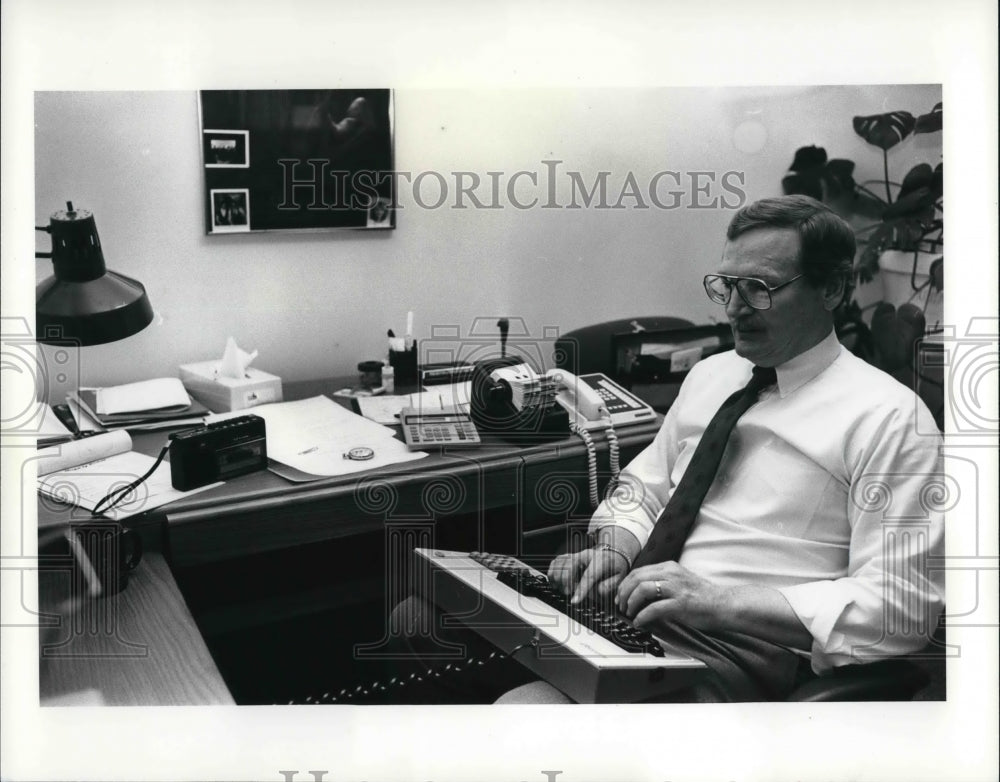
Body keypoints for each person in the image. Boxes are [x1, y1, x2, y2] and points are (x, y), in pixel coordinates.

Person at [393, 194, 945, 703]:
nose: (735, 307)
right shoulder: (713, 375)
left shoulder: (889, 418)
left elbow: (902, 610)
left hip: (738, 646)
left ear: (831, 289)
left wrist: (718, 601)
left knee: (524, 711)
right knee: (416, 616)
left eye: (760, 287)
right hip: (635, 608)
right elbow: (645, 485)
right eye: (725, 285)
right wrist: (614, 547)